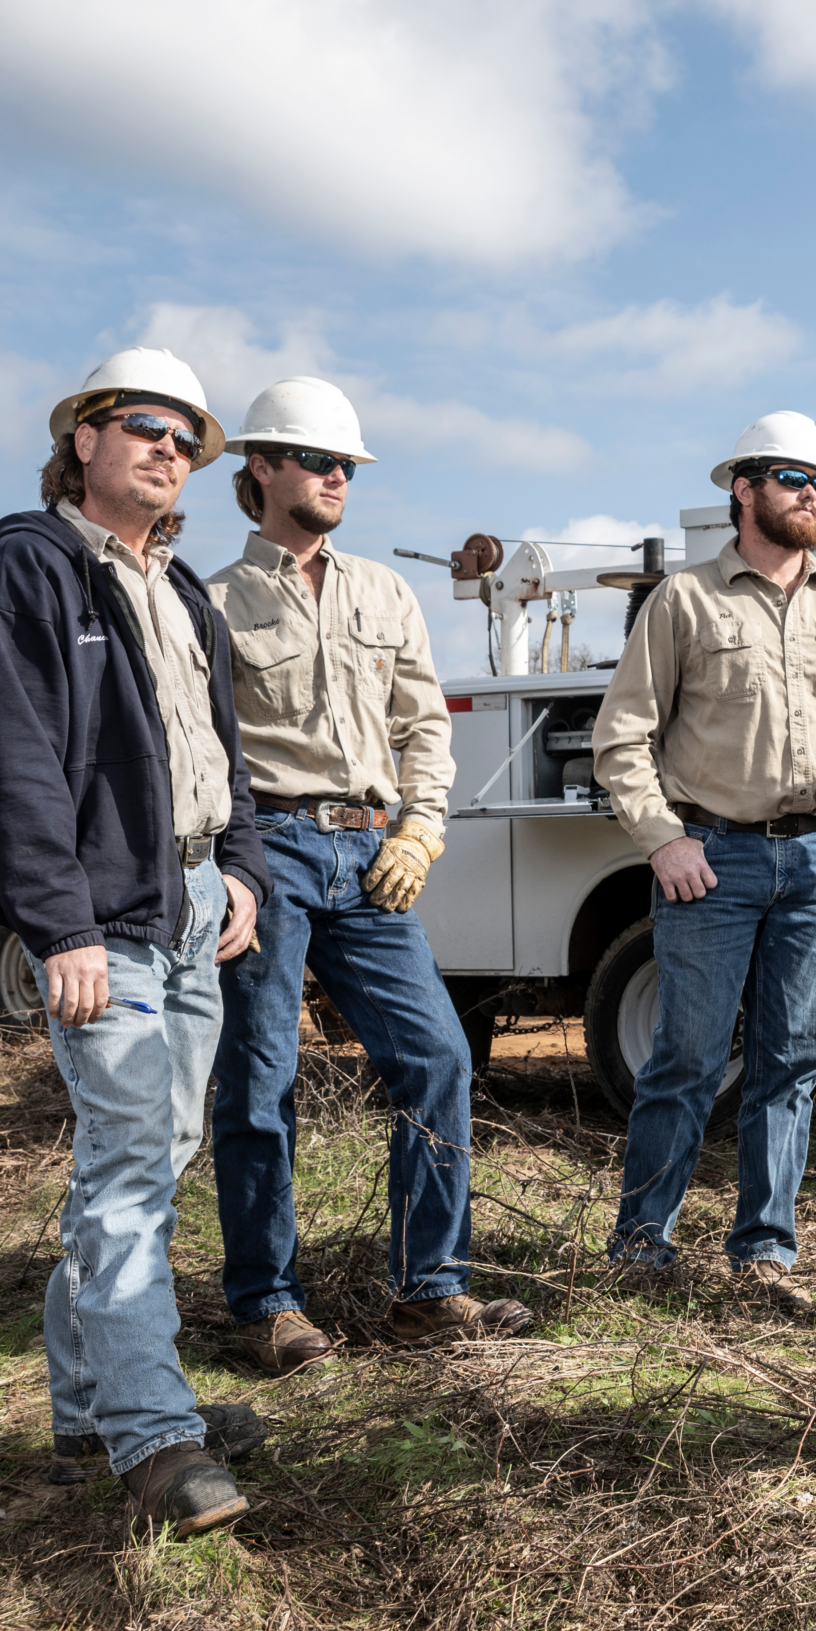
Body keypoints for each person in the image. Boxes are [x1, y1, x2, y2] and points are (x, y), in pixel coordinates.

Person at [0, 347, 271, 1538]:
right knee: (131, 1164)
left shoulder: (181, 590)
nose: (166, 447)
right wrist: (59, 923)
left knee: (153, 1150)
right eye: (140, 424)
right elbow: (14, 764)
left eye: (186, 436)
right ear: (81, 439)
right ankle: (152, 1433)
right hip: (107, 922)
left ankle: (91, 1404)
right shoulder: (27, 576)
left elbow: (221, 755)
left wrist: (238, 865)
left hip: (192, 904)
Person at [207, 378, 531, 1374]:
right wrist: (227, 862)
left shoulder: (385, 593)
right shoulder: (211, 600)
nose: (338, 473)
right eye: (317, 458)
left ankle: (427, 1293)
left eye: (347, 462)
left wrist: (420, 828)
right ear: (261, 466)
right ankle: (266, 1304)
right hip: (267, 845)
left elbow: (423, 724)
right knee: (261, 1077)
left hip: (372, 849)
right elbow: (197, 747)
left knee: (436, 1058)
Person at [592, 410, 816, 1305]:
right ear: (744, 488)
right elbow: (621, 740)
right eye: (791, 478)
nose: (811, 493)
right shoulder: (686, 601)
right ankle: (641, 1248)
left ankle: (764, 1255)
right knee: (688, 1059)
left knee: (793, 1065)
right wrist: (663, 842)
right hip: (715, 859)